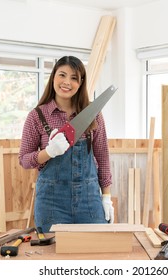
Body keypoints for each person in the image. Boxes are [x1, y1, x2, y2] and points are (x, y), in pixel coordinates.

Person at [18, 56, 114, 232]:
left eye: (74, 78)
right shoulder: (37, 116)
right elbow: (24, 160)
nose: (67, 82)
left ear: (80, 83)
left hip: (89, 200)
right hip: (51, 203)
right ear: (53, 76)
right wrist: (49, 152)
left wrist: (106, 197)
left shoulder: (93, 114)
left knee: (97, 252)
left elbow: (103, 156)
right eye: (62, 75)